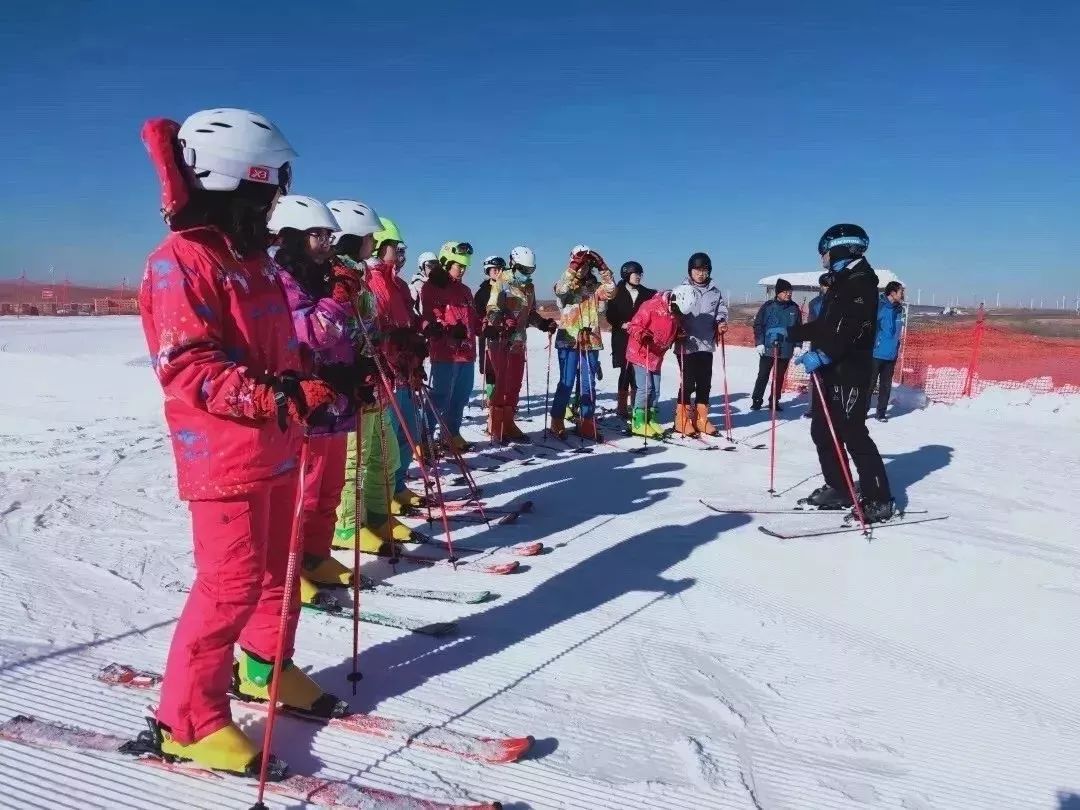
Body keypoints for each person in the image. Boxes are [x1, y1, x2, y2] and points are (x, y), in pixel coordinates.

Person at [137, 109, 342, 775]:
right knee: (229, 584)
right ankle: (186, 719)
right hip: (221, 455)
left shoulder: (253, 263)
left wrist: (319, 380)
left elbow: (282, 349)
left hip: (278, 446)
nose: (272, 213)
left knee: (279, 572)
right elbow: (188, 365)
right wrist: (271, 396)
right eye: (264, 198)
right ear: (231, 189)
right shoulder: (179, 263)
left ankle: (264, 667)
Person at [267, 195, 364, 607]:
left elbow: (350, 330)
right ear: (291, 237)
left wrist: (359, 369)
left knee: (330, 485)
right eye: (316, 236)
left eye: (328, 235)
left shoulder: (325, 276)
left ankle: (317, 554)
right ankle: (293, 569)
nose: (326, 243)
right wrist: (338, 299)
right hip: (306, 397)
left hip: (336, 395)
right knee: (303, 490)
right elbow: (315, 330)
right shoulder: (282, 278)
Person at [785, 223, 894, 523]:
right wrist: (791, 332)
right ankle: (840, 487)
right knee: (822, 430)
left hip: (850, 372)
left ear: (841, 249)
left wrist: (823, 354)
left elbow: (855, 329)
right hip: (831, 371)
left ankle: (878, 498)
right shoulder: (842, 281)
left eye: (825, 251)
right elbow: (827, 325)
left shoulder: (861, 281)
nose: (822, 257)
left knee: (853, 433)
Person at [328, 220, 402, 554]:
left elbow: (370, 327)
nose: (373, 242)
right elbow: (334, 332)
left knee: (384, 453)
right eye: (369, 237)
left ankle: (377, 512)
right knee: (354, 458)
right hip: (352, 384)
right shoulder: (335, 277)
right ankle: (346, 526)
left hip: (374, 380)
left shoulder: (361, 277)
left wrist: (397, 343)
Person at [362, 216, 428, 527]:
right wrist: (396, 344)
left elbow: (407, 320)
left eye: (402, 250)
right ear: (380, 246)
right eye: (395, 248)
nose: (400, 255)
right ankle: (384, 493)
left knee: (408, 432)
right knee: (388, 438)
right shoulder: (373, 282)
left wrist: (416, 343)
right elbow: (375, 328)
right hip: (387, 370)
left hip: (404, 369)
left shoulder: (397, 283)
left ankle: (398, 485)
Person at [484, 245, 557, 442]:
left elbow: (530, 312)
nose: (527, 274)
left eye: (530, 270)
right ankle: (495, 424)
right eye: (523, 269)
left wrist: (543, 323)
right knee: (501, 382)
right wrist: (500, 318)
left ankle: (509, 422)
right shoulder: (502, 281)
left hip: (518, 341)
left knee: (514, 384)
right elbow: (491, 307)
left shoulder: (529, 287)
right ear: (513, 265)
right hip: (500, 340)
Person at [550, 245, 616, 439]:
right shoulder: (564, 284)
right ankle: (557, 418)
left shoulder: (596, 287)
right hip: (569, 338)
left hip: (590, 339)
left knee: (588, 383)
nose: (583, 268)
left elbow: (611, 291)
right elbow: (561, 290)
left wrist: (603, 267)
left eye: (587, 264)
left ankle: (587, 420)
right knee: (567, 381)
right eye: (579, 264)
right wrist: (573, 267)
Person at [421, 241, 478, 451]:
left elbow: (473, 320)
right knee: (439, 397)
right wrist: (448, 329)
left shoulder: (465, 290)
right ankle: (423, 438)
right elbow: (430, 316)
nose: (462, 270)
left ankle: (451, 433)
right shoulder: (432, 287)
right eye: (458, 265)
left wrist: (487, 326)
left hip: (467, 353)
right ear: (446, 262)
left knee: (461, 397)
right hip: (445, 353)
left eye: (464, 266)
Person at [671, 252, 728, 435]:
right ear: (690, 271)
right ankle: (681, 419)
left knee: (705, 383)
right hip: (686, 344)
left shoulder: (715, 292)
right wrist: (676, 329)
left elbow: (722, 310)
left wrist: (721, 322)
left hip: (706, 343)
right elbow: (672, 313)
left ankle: (701, 419)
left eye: (704, 270)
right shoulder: (681, 289)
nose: (701, 274)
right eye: (697, 270)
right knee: (688, 383)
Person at [625, 289, 690, 437]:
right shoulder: (651, 306)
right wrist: (642, 335)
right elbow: (633, 325)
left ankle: (651, 418)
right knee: (646, 388)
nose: (677, 313)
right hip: (641, 351)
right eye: (676, 309)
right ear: (673, 300)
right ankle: (638, 421)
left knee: (656, 389)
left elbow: (672, 327)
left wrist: (678, 334)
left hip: (657, 355)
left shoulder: (675, 312)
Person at [604, 260, 655, 419]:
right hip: (622, 336)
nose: (638, 277)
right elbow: (610, 314)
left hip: (639, 338)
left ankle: (636, 405)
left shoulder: (647, 293)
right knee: (625, 371)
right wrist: (621, 324)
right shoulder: (616, 292)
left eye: (640, 274)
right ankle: (621, 406)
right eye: (635, 274)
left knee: (637, 372)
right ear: (626, 274)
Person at [751, 278, 802, 411]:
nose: (788, 294)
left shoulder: (794, 308)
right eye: (785, 292)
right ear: (778, 292)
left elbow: (799, 328)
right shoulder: (768, 307)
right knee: (763, 374)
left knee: (779, 377)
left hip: (785, 348)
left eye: (790, 292)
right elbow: (758, 325)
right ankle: (757, 399)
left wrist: (798, 345)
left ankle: (774, 400)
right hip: (768, 347)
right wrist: (759, 343)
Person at [869, 281, 905, 421]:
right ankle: (862, 411)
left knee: (886, 386)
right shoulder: (879, 306)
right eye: (901, 291)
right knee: (870, 385)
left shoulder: (899, 309)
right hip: (876, 353)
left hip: (891, 354)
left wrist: (897, 347)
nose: (903, 294)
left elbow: (897, 331)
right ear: (892, 293)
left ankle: (881, 413)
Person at [475, 256, 507, 405]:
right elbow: (477, 313)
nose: (498, 272)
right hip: (487, 334)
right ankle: (491, 397)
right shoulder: (482, 292)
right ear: (488, 271)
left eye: (500, 269)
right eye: (495, 269)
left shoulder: (507, 289)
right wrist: (485, 324)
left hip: (505, 333)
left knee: (504, 367)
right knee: (489, 367)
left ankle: (503, 399)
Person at [804, 273, 831, 418]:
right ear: (822, 286)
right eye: (826, 285)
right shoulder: (815, 303)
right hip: (818, 346)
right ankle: (812, 408)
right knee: (815, 378)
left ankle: (830, 408)